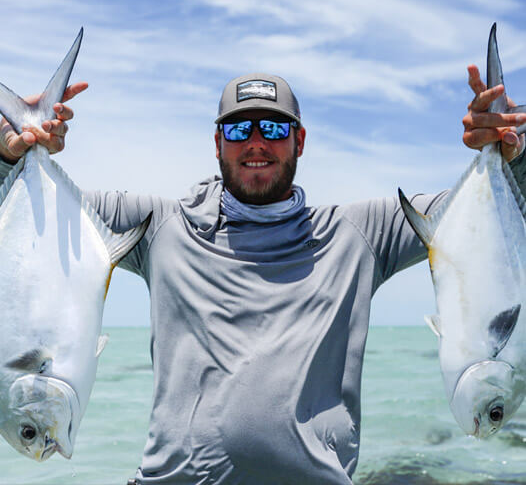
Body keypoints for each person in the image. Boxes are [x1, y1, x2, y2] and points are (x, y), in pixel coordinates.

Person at [0, 67, 524, 485]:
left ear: (299, 140)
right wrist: (12, 152)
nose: (256, 142)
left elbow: (486, 222)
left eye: (273, 128)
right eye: (238, 129)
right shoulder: (160, 226)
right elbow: (29, 226)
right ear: (217, 142)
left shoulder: (362, 233)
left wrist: (509, 149)